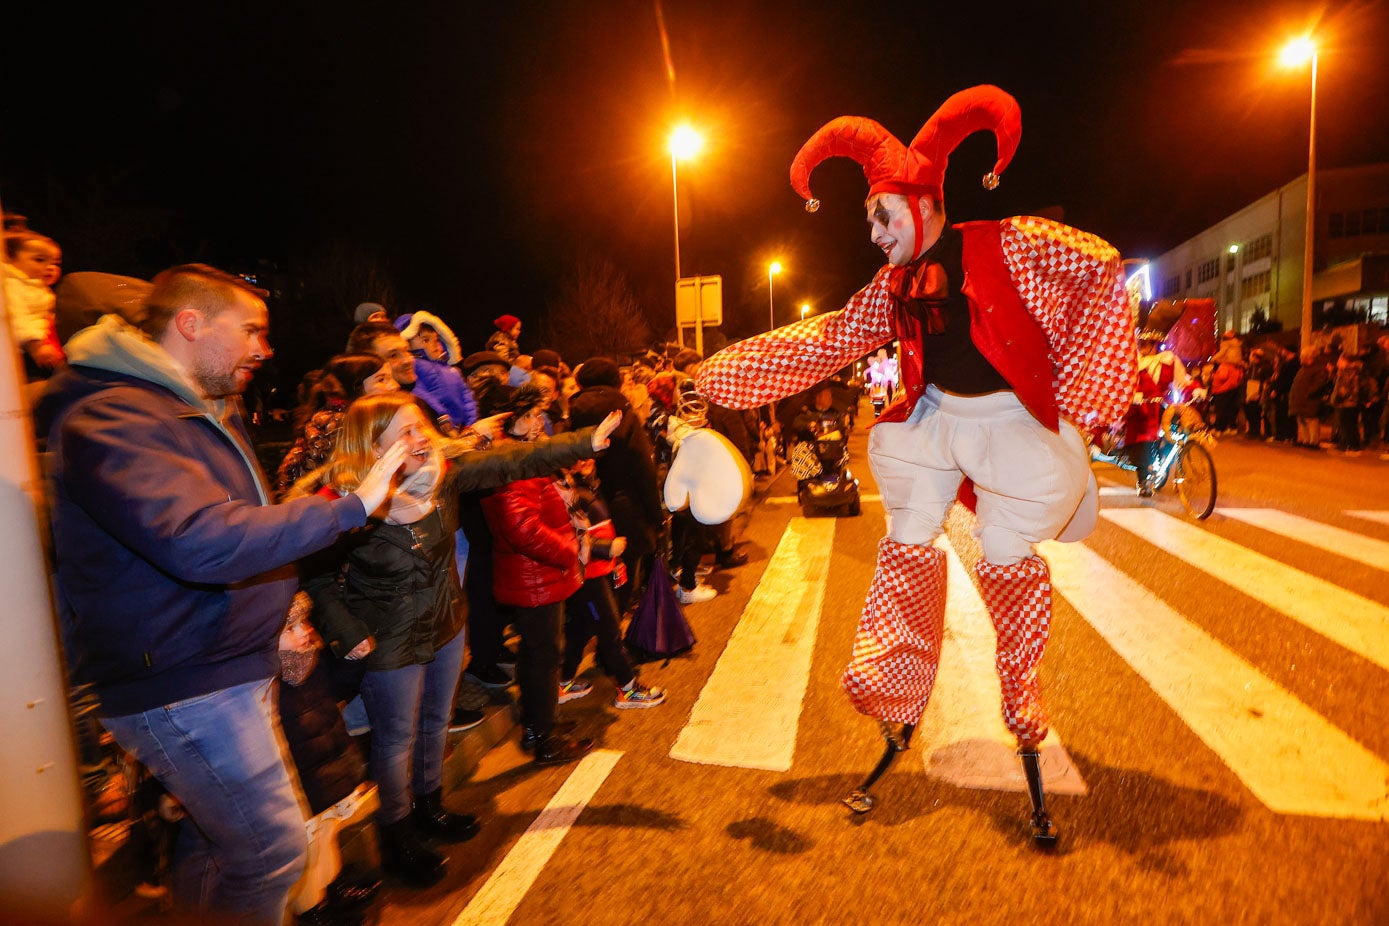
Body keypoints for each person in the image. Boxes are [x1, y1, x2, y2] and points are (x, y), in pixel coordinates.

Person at [695, 86, 1135, 841]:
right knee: (905, 542)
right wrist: (719, 375)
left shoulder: (1010, 241)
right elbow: (827, 340)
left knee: (1002, 556)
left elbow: (1099, 266)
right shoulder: (891, 285)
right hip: (934, 423)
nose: (871, 233)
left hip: (1008, 426)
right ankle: (896, 698)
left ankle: (1022, 703)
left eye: (881, 216)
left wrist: (1082, 399)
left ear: (926, 203)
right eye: (866, 218)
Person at [38, 264, 408, 924]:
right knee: (270, 852)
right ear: (190, 323)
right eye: (251, 331)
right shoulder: (109, 416)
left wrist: (285, 618)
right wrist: (349, 506)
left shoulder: (196, 405)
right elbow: (198, 539)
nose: (264, 350)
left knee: (224, 846)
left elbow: (250, 520)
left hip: (223, 663)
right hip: (185, 681)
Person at [294, 391, 619, 885]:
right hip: (388, 639)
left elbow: (513, 459)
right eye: (403, 433)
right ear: (371, 446)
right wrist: (347, 630)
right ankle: (396, 831)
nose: (419, 438)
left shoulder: (444, 475)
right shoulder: (348, 501)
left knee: (435, 722)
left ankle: (430, 807)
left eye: (419, 425)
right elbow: (313, 576)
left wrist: (583, 443)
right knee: (395, 738)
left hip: (446, 623)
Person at [481, 385, 601, 763]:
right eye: (530, 415)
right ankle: (544, 738)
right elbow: (521, 527)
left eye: (540, 415)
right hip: (535, 575)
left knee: (540, 655)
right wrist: (568, 552)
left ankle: (539, 725)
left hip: (541, 573)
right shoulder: (509, 460)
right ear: (508, 419)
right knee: (542, 656)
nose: (538, 423)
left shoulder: (522, 455)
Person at [555, 458, 666, 710]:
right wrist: (606, 549)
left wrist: (613, 559)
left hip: (596, 569)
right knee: (609, 630)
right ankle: (628, 689)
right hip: (588, 574)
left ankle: (563, 682)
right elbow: (567, 538)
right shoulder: (565, 492)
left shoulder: (588, 484)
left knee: (581, 629)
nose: (583, 462)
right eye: (575, 460)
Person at [275, 352, 402, 496]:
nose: (395, 386)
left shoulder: (355, 418)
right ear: (356, 388)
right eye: (382, 380)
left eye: (391, 378)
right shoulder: (339, 424)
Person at [1124, 330, 1188, 496]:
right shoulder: (1134, 363)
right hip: (1143, 409)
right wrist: (1133, 395)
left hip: (1165, 406)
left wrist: (1195, 390)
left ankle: (1164, 461)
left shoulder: (1169, 360)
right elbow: (1125, 383)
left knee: (1178, 433)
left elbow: (1183, 381)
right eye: (1140, 343)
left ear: (1155, 344)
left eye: (1145, 343)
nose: (1141, 347)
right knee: (1142, 441)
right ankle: (1143, 480)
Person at [4, 225, 65, 383]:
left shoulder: (38, 289)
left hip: (40, 348)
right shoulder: (11, 285)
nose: (50, 267)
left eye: (55, 263)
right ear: (11, 259)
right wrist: (36, 346)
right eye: (39, 260)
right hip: (23, 353)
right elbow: (16, 318)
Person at [1288, 347, 1331, 448]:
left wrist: (1309, 393)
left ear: (1310, 358)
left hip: (1310, 400)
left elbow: (1319, 384)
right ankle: (1305, 440)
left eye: (1303, 357)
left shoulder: (1319, 369)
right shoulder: (1304, 369)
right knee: (1302, 420)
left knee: (1311, 420)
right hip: (1300, 399)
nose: (1301, 359)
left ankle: (1313, 441)